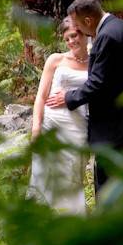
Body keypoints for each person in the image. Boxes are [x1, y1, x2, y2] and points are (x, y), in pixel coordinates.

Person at [45, 0, 123, 196]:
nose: (77, 30)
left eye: (77, 26)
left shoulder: (106, 37)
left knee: (106, 182)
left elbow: (98, 82)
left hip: (113, 123)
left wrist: (68, 97)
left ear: (88, 20)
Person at [27, 18, 90, 214]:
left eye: (75, 35)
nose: (71, 41)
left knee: (72, 176)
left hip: (78, 127)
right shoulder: (55, 60)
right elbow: (41, 96)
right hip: (51, 125)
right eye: (67, 38)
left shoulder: (96, 61)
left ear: (85, 33)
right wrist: (36, 128)